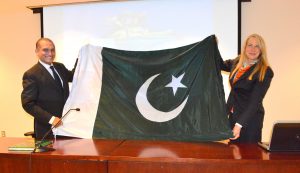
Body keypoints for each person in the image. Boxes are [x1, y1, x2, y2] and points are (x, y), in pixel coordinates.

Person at [219, 34, 274, 143]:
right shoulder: (237, 62)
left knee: (249, 156)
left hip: (250, 121)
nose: (252, 49)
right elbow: (219, 64)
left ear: (261, 50)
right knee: (233, 155)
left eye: (257, 46)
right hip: (233, 116)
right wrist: (213, 46)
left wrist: (239, 125)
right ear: (244, 48)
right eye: (250, 45)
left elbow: (255, 102)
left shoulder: (265, 71)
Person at [21, 38, 77, 139]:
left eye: (52, 50)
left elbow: (75, 76)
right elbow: (28, 104)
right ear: (37, 52)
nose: (50, 53)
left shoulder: (60, 67)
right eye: (45, 50)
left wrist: (82, 57)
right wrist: (51, 119)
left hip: (67, 127)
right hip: (47, 129)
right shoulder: (31, 74)